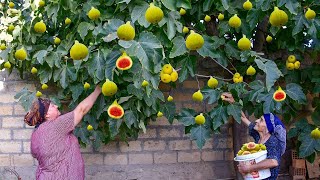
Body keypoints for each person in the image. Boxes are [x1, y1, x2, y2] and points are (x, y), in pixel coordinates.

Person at [24, 85, 102, 180]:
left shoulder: (35, 134)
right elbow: (81, 110)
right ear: (47, 115)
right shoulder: (57, 125)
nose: (56, 106)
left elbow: (35, 154)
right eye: (52, 106)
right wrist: (97, 90)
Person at [222, 92, 286, 180]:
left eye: (261, 120)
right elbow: (243, 118)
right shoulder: (258, 135)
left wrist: (249, 168)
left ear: (267, 127)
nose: (256, 121)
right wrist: (233, 102)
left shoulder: (272, 141)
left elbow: (273, 162)